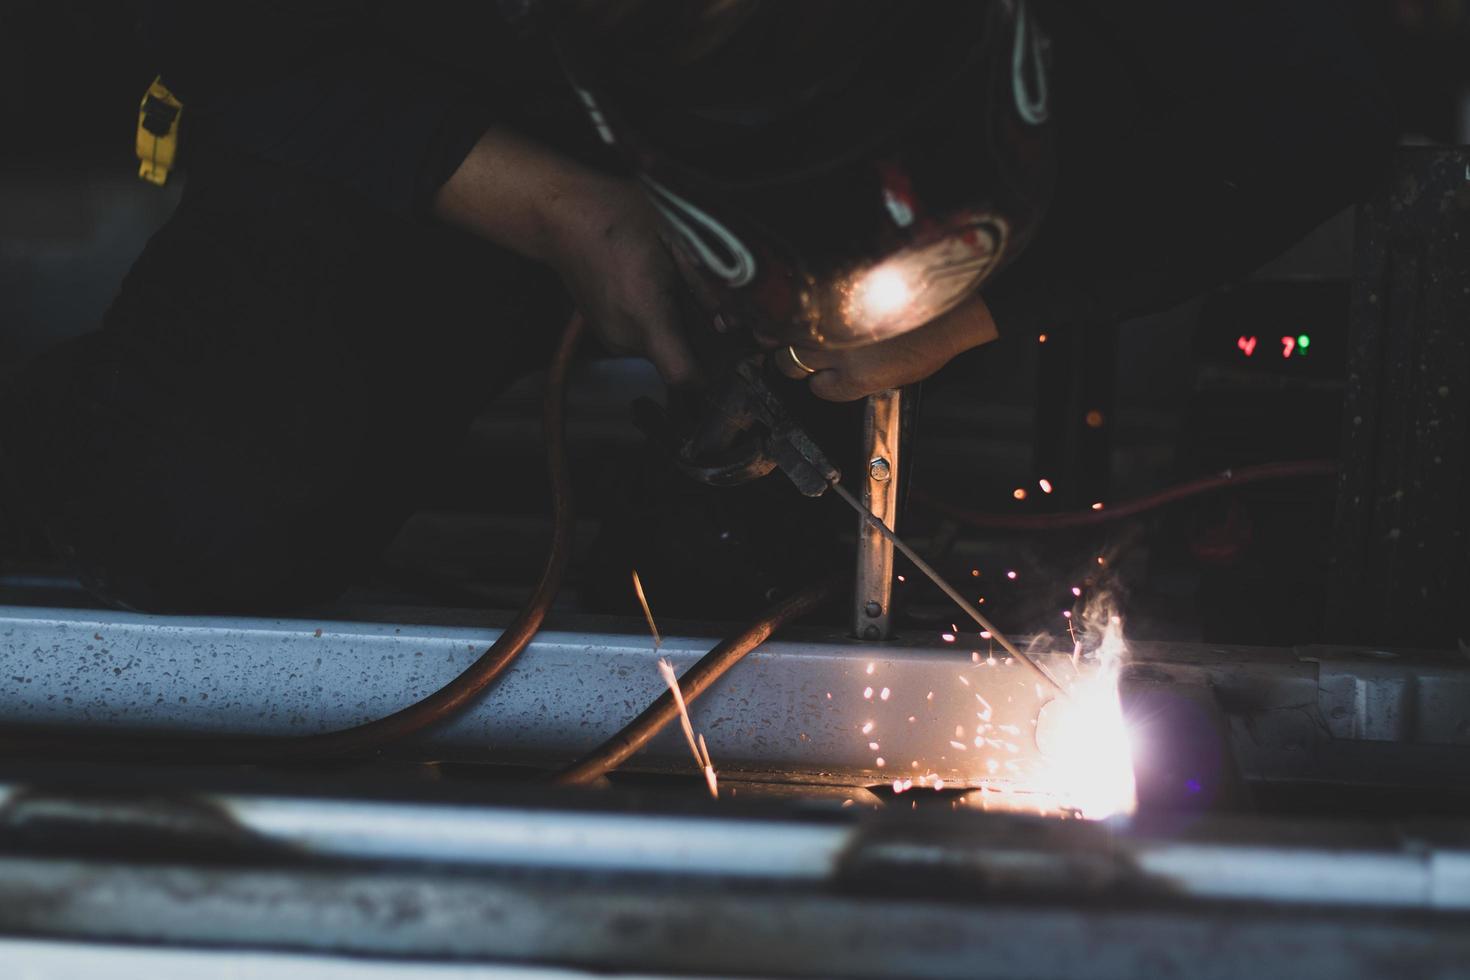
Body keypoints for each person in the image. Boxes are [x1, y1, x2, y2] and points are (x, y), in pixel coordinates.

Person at [0, 0, 1394, 614]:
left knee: (723, 585)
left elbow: (1311, 94)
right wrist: (551, 204)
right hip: (438, 116)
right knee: (199, 516)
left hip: (867, 172)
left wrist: (963, 312)